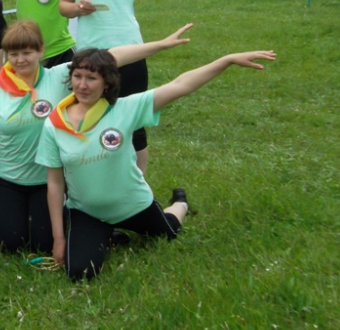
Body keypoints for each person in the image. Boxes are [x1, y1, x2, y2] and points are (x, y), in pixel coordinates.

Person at [37, 47, 275, 281]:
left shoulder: (125, 109)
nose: (82, 85)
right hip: (87, 212)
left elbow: (181, 85)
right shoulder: (55, 124)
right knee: (79, 272)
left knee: (168, 232)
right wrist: (59, 239)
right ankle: (106, 234)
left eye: (91, 78)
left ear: (106, 83)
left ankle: (179, 204)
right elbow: (55, 183)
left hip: (133, 204)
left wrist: (226, 59)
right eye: (77, 76)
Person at [59, 0, 251, 173]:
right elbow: (63, 5)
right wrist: (77, 8)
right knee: (89, 116)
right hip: (89, 55)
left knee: (134, 122)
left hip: (129, 51)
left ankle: (138, 186)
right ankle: (95, 178)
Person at [0, 20, 192, 255]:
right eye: (13, 54)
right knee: (9, 244)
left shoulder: (61, 77)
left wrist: (161, 45)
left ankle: (178, 206)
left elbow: (113, 56)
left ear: (41, 51)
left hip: (48, 181)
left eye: (27, 52)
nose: (20, 60)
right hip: (7, 179)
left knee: (44, 245)